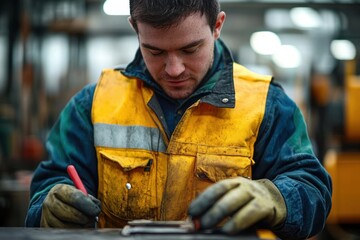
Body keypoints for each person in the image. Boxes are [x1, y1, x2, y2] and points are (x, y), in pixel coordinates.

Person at [25, 0, 332, 239]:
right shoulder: (93, 104)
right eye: (154, 51)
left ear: (217, 26)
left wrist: (277, 198)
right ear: (135, 28)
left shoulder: (268, 105)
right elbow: (51, 182)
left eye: (190, 49)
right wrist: (49, 206)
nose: (173, 69)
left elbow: (313, 191)